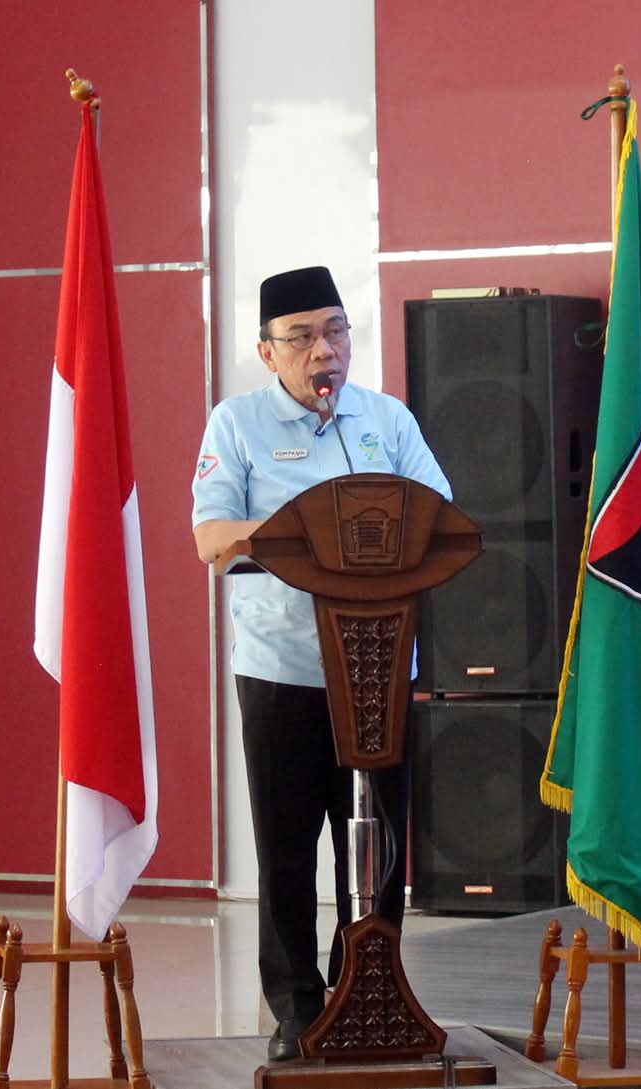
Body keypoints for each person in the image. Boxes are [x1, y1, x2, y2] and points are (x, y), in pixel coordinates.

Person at [191, 265, 451, 1061]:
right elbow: (211, 540)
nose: (324, 351)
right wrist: (301, 531)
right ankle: (297, 1011)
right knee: (287, 848)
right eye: (302, 337)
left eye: (335, 331)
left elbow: (441, 519)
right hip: (283, 674)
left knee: (378, 849)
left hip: (378, 670)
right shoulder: (236, 424)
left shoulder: (387, 418)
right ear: (267, 352)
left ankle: (363, 994)